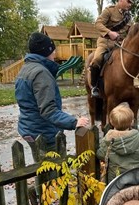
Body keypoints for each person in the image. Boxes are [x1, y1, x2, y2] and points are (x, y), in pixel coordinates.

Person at [15, 32, 89, 161]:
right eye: (53, 51)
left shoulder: (25, 69)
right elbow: (48, 110)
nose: (55, 54)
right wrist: (74, 122)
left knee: (41, 169)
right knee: (51, 174)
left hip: (30, 128)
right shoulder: (41, 73)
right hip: (43, 132)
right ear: (46, 52)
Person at [90, 0, 137, 97]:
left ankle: (135, 85)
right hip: (105, 43)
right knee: (97, 59)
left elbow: (131, 31)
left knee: (134, 59)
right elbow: (98, 24)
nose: (130, 5)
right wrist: (109, 32)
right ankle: (94, 86)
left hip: (120, 45)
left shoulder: (129, 17)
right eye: (128, 1)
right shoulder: (109, 11)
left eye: (131, 3)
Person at [97, 104, 139, 183]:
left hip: (115, 181)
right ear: (132, 122)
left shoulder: (108, 140)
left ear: (111, 122)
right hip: (136, 179)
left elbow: (100, 154)